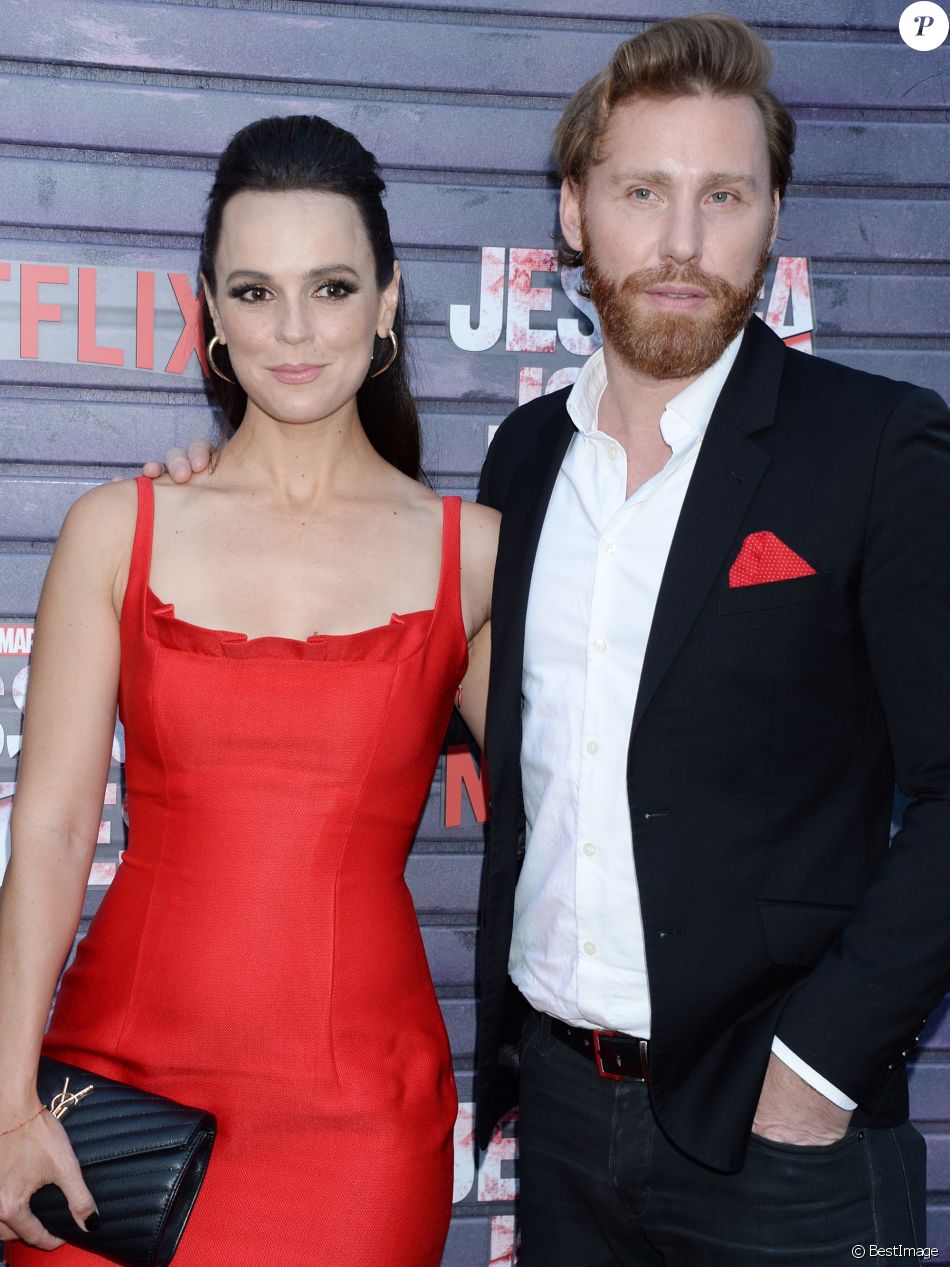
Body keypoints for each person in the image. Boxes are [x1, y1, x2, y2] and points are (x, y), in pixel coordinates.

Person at [145, 16, 950, 1264]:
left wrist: (817, 1070)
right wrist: (219, 504)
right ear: (573, 211)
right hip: (565, 1126)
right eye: (641, 191)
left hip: (784, 1134)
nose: (681, 243)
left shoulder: (875, 446)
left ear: (772, 215)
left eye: (721, 195)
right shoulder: (522, 464)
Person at [0, 114, 497, 1266]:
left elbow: (592, 804)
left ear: (385, 304)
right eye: (255, 291)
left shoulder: (472, 556)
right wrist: (8, 1097)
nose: (293, 331)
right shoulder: (118, 530)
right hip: (114, 1095)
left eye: (329, 287)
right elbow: (59, 827)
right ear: (209, 312)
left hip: (357, 1129)